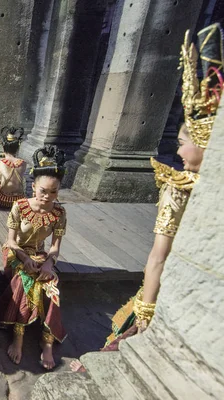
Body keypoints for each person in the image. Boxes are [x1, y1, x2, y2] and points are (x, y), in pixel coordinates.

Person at [71, 23, 223, 371]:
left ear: (204, 141)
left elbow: (158, 257)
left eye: (184, 141)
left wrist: (147, 310)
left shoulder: (182, 189)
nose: (179, 149)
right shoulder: (180, 186)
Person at [0, 145, 67, 369]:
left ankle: (47, 341)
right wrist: (22, 257)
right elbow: (10, 241)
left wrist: (49, 263)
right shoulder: (19, 206)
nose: (48, 196)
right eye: (43, 191)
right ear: (33, 186)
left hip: (40, 255)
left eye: (54, 192)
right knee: (24, 279)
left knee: (52, 285)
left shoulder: (59, 213)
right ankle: (18, 335)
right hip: (15, 252)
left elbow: (55, 247)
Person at [0, 126, 27, 208]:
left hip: (4, 200)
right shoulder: (23, 164)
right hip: (19, 200)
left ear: (3, 148)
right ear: (17, 148)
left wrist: (0, 179)